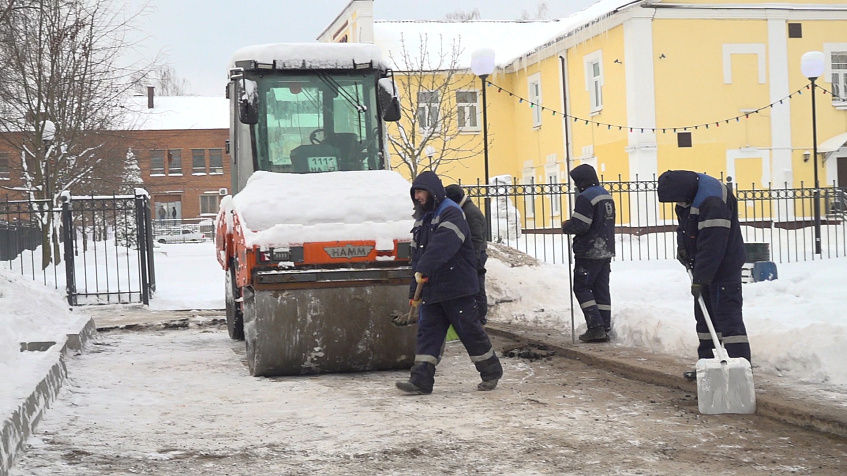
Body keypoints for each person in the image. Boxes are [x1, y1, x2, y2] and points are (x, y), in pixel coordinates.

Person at [396, 171, 503, 395]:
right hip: (434, 288)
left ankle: (491, 371)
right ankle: (420, 381)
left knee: (469, 331)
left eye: (420, 191)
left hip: (457, 286)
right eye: (414, 192)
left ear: (432, 191)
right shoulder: (422, 218)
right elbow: (417, 258)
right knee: (428, 334)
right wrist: (413, 290)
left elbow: (443, 246)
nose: (417, 196)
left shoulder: (451, 212)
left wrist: (424, 270)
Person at [657, 170, 751, 379]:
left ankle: (741, 371)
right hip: (704, 264)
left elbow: (713, 244)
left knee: (729, 319)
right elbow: (684, 227)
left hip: (724, 267)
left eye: (679, 200)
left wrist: (701, 278)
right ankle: (708, 368)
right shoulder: (687, 195)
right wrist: (683, 247)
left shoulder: (711, 201)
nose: (678, 204)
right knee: (704, 318)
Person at [561, 164, 616, 343]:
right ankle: (604, 325)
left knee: (582, 287)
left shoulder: (586, 198)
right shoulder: (605, 195)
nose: (576, 186)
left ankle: (595, 327)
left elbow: (581, 225)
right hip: (605, 249)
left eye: (576, 182)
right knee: (601, 288)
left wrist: (567, 226)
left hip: (589, 250)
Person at [444, 184, 488, 325]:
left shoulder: (470, 212)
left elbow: (476, 238)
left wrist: (472, 259)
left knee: (476, 285)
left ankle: (480, 317)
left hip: (476, 255)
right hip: (473, 254)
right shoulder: (465, 209)